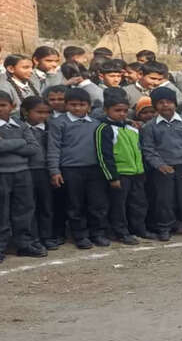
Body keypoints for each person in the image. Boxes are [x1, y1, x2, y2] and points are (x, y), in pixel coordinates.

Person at [0, 90, 47, 263]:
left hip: (22, 173)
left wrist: (4, 143)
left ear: (12, 106)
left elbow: (33, 148)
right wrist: (20, 142)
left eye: (3, 105)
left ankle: (24, 244)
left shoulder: (20, 124)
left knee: (24, 210)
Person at [47, 87, 107, 249]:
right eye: (73, 104)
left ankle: (98, 233)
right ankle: (80, 235)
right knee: (75, 205)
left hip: (94, 169)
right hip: (70, 169)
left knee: (97, 204)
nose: (77, 108)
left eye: (82, 105)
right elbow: (53, 148)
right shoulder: (58, 123)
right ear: (66, 105)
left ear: (89, 106)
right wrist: (55, 171)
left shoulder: (96, 124)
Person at [140, 86, 182, 241]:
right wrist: (159, 165)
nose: (165, 105)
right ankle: (165, 227)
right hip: (163, 169)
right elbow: (149, 149)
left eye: (169, 102)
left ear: (175, 103)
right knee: (164, 200)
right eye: (161, 103)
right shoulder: (150, 126)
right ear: (155, 106)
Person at [95, 89, 142, 244]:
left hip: (136, 172)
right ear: (106, 110)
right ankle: (120, 232)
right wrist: (112, 177)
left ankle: (138, 229)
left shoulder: (131, 128)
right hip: (119, 174)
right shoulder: (104, 129)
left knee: (137, 203)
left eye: (124, 111)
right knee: (118, 206)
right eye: (117, 110)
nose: (122, 114)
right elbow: (104, 155)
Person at [21, 95, 58, 249]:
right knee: (29, 206)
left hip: (45, 171)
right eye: (38, 112)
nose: (43, 116)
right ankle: (32, 238)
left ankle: (47, 236)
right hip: (25, 171)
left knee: (46, 205)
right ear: (25, 112)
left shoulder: (51, 128)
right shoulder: (19, 128)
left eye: (47, 112)